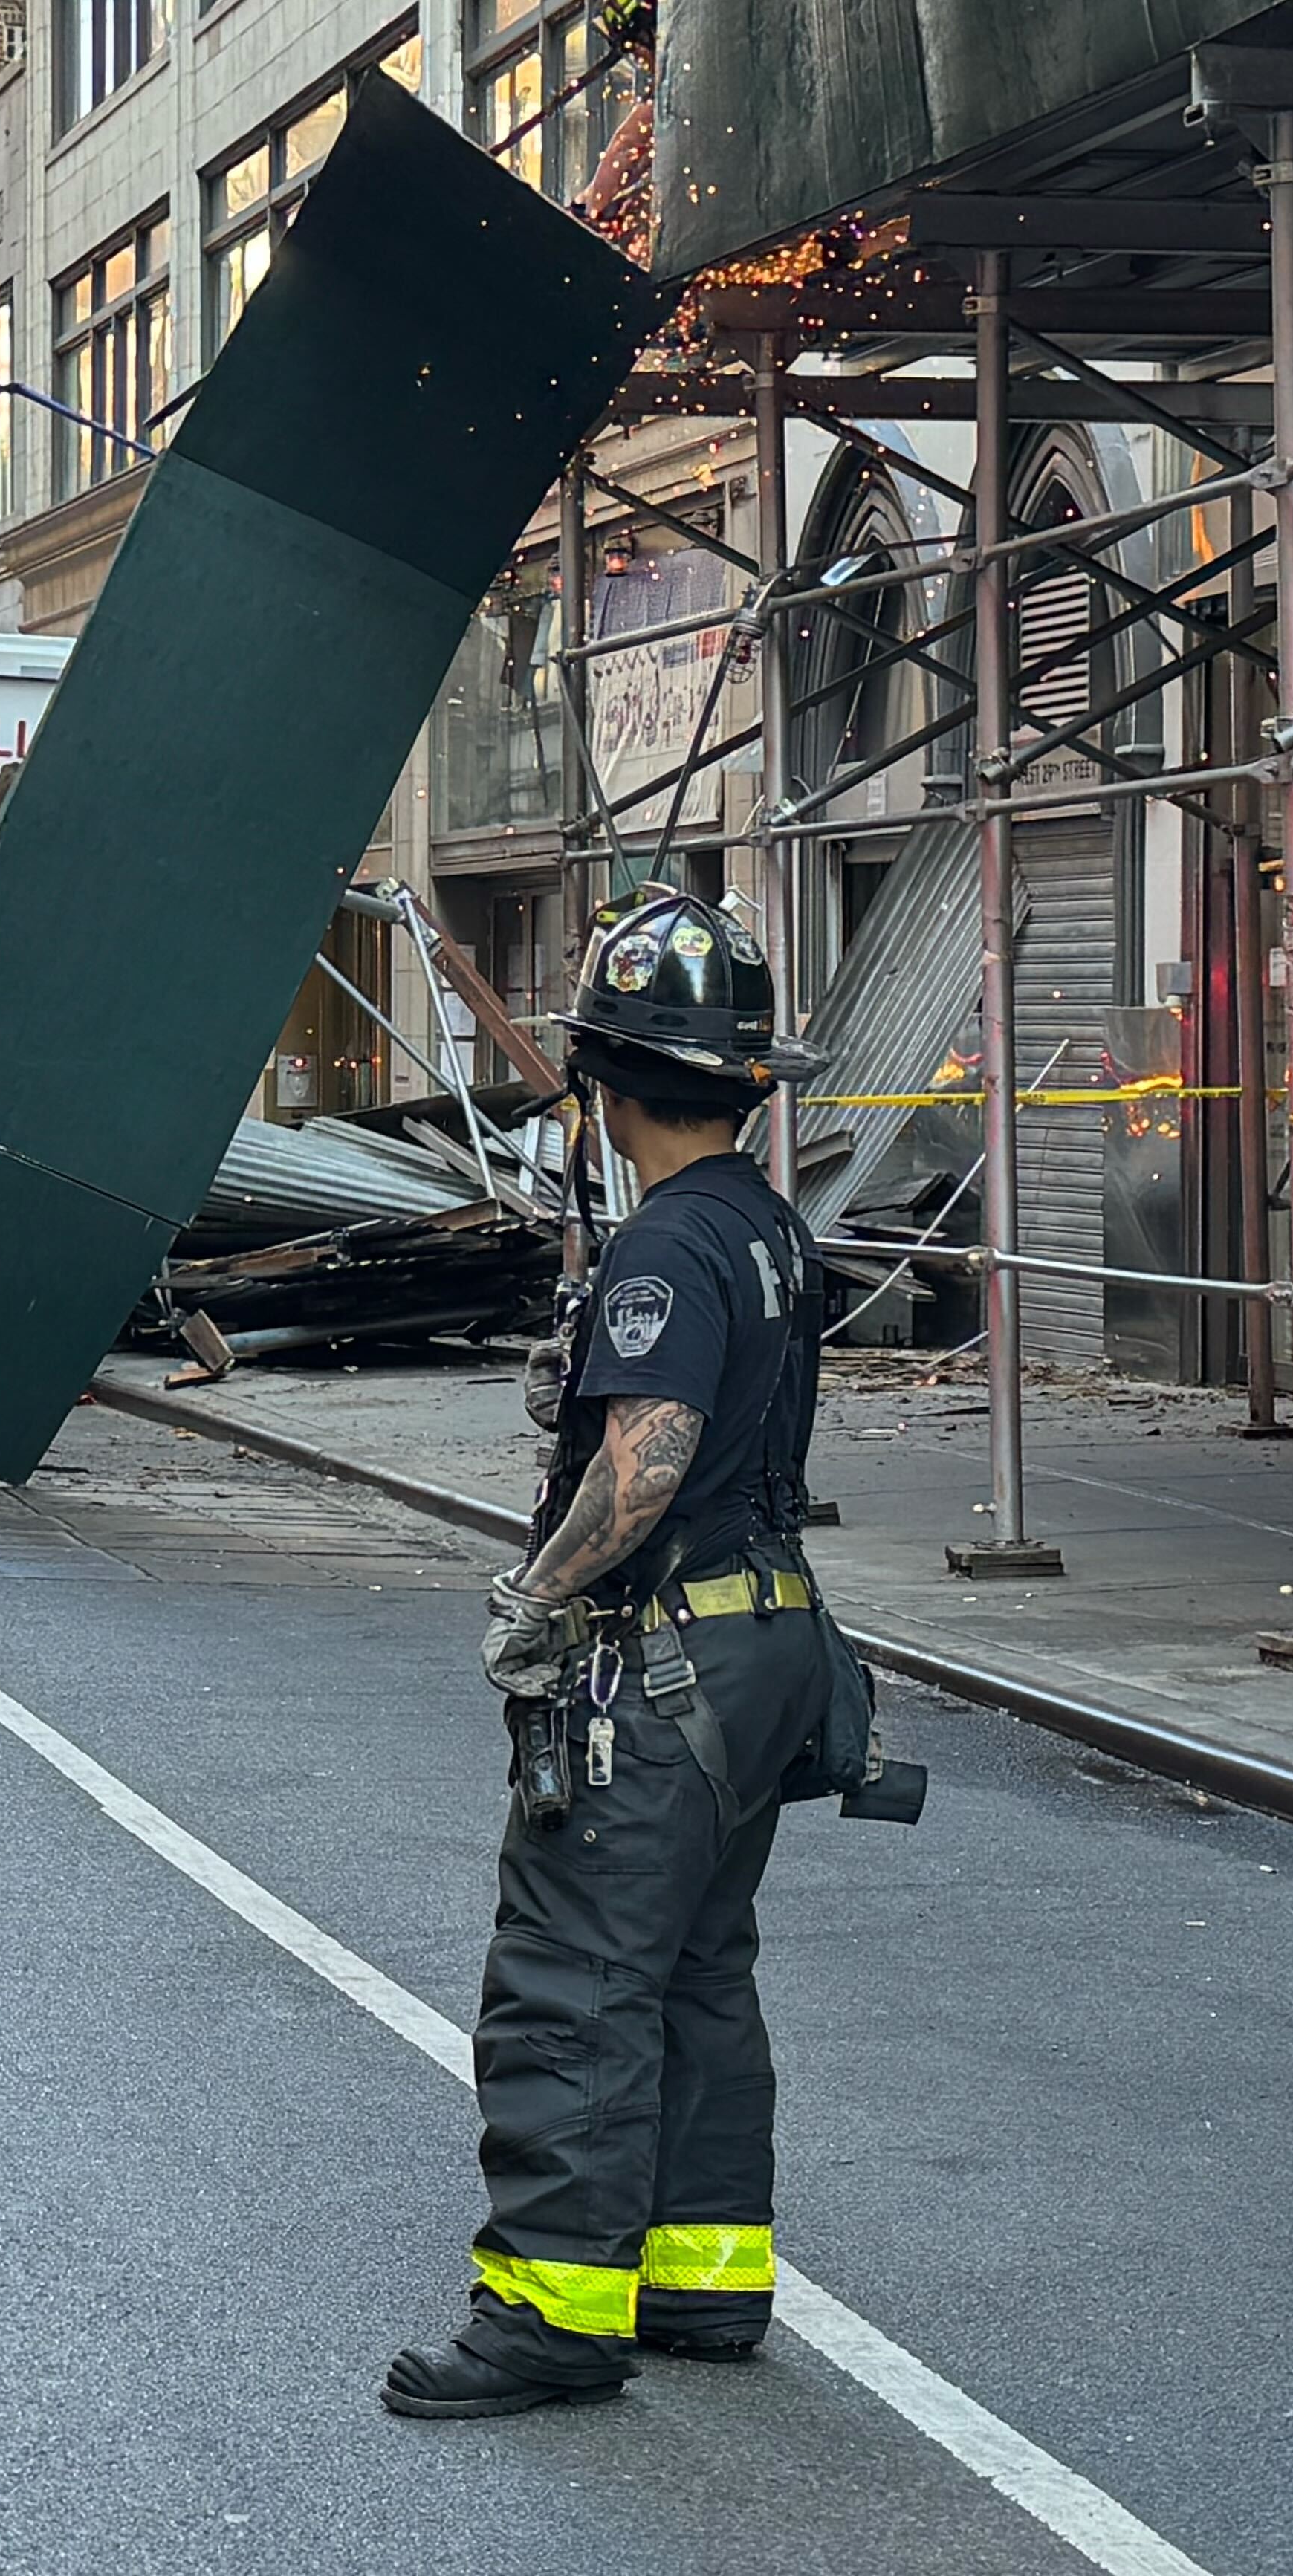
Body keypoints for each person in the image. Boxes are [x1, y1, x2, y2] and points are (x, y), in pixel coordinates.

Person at [382, 889, 904, 2422]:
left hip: (662, 1668)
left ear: (608, 1094)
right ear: (743, 1083)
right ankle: (701, 2279)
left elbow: (649, 1460)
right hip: (767, 1655)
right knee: (691, 1974)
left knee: (571, 1981)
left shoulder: (669, 1247)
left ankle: (549, 2316)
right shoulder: (768, 1229)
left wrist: (532, 1599)